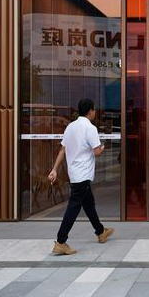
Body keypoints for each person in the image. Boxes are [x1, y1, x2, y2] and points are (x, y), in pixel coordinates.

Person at [48, 98, 114, 255]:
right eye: (94, 110)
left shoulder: (70, 127)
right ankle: (61, 241)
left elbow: (62, 150)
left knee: (89, 204)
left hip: (74, 173)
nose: (95, 112)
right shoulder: (90, 128)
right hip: (83, 174)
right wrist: (103, 147)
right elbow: (96, 152)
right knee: (73, 207)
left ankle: (100, 232)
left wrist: (54, 169)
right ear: (90, 111)